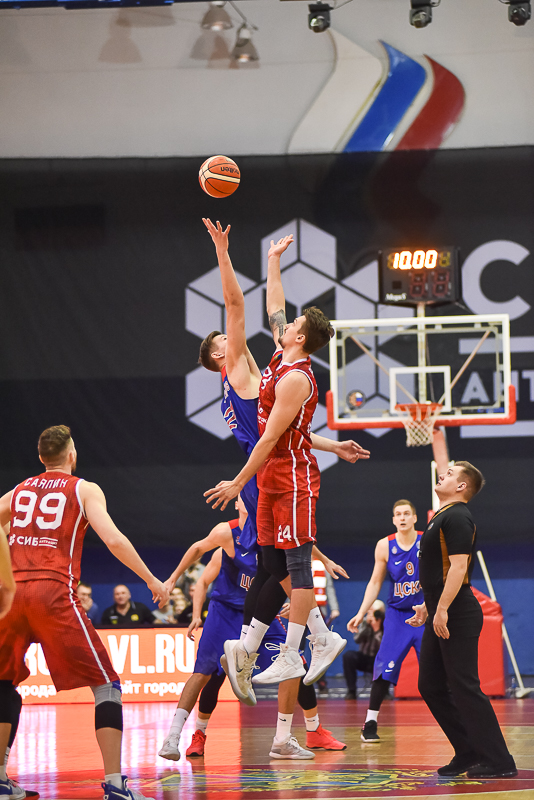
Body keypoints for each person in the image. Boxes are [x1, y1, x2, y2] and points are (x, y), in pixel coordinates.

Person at [197, 219, 368, 758]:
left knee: (286, 565)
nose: (233, 337)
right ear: (221, 357)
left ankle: (285, 649)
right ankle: (284, 647)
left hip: (271, 473)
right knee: (276, 566)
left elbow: (280, 432)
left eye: (291, 325)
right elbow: (245, 306)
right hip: (262, 474)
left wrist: (267, 262)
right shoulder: (252, 370)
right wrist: (231, 254)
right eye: (225, 340)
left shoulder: (278, 371)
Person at [0, 425, 169, 800]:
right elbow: (114, 539)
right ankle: (115, 785)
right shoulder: (84, 489)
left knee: (3, 682)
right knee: (106, 684)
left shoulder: (20, 490)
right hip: (52, 592)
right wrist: (152, 580)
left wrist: (9, 545)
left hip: (11, 594)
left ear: (41, 457)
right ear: (71, 455)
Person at [159, 497, 345, 761]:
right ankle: (176, 735)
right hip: (225, 612)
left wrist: (324, 562)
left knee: (294, 665)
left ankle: (291, 736)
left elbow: (299, 548)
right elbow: (197, 550)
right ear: (238, 503)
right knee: (205, 674)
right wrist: (173, 579)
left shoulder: (271, 529)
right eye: (243, 496)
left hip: (262, 613)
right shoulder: (227, 533)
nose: (250, 499)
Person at [407, 462, 517, 779]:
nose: (443, 474)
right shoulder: (440, 517)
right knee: (430, 685)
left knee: (465, 686)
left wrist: (441, 608)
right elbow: (438, 571)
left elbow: (458, 568)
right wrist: (428, 607)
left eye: (451, 473)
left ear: (461, 486)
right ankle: (467, 751)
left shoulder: (458, 516)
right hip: (440, 610)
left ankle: (500, 761)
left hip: (457, 612)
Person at [347, 499, 424, 742]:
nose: (402, 518)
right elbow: (375, 582)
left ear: (414, 518)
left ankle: (458, 722)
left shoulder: (427, 541)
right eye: (398, 514)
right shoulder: (384, 545)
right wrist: (361, 612)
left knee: (435, 669)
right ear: (393, 520)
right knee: (384, 666)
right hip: (398, 615)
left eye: (407, 513)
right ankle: (370, 722)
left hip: (424, 613)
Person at [343, 602, 385, 700]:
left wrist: (377, 629)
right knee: (348, 656)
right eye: (370, 611)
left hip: (378, 659)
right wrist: (367, 626)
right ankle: (351, 691)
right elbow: (357, 639)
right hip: (364, 657)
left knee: (387, 661)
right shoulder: (365, 622)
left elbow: (385, 646)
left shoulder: (386, 624)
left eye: (374, 612)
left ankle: (384, 692)